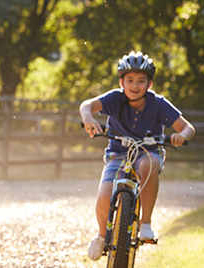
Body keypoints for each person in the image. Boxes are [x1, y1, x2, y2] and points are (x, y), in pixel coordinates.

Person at [80, 51, 195, 261]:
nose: (135, 86)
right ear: (121, 82)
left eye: (141, 81)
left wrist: (180, 135)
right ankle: (102, 236)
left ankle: (146, 224)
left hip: (149, 150)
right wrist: (88, 118)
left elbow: (188, 127)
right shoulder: (114, 98)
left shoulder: (158, 103)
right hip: (118, 152)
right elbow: (86, 105)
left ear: (149, 84)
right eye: (130, 80)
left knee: (148, 165)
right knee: (105, 196)